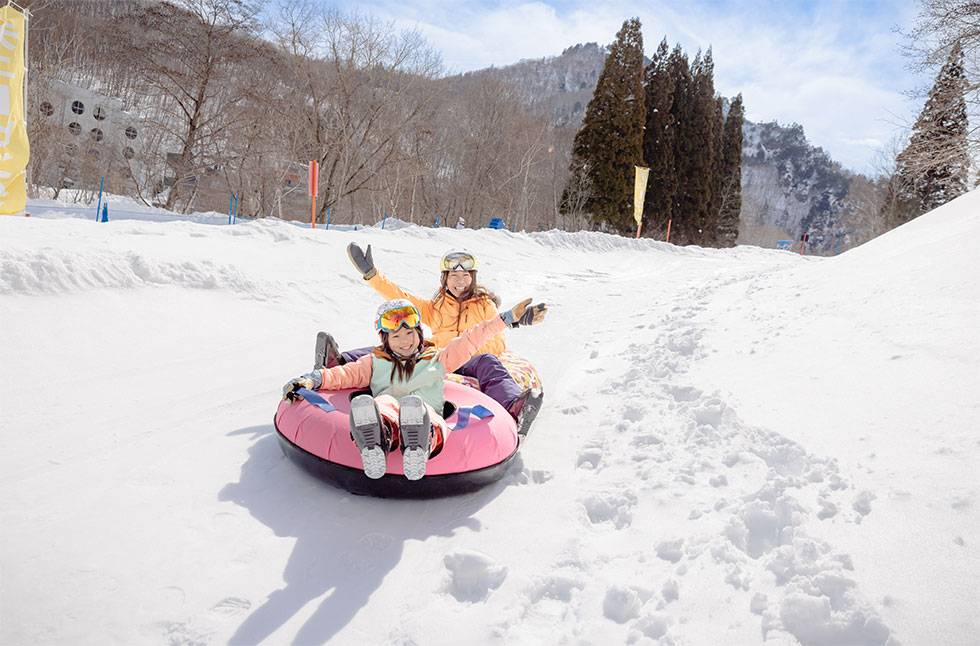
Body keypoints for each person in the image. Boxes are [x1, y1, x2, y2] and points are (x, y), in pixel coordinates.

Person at [283, 298, 547, 480]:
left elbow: (472, 338)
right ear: (385, 341)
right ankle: (374, 441)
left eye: (410, 334)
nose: (404, 341)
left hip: (426, 413)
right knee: (383, 404)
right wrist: (312, 379)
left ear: (420, 335)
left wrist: (505, 319)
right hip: (386, 410)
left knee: (423, 413)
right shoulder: (374, 362)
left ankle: (420, 445)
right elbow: (344, 374)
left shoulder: (438, 360)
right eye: (396, 336)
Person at [331, 245, 544, 435]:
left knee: (489, 363)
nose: (460, 282)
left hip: (473, 359)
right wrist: (373, 275)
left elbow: (495, 334)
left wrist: (512, 323)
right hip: (440, 360)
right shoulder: (435, 308)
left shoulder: (485, 305)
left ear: (473, 278)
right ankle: (338, 362)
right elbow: (401, 296)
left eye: (465, 276)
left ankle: (514, 406)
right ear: (445, 279)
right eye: (454, 276)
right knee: (393, 350)